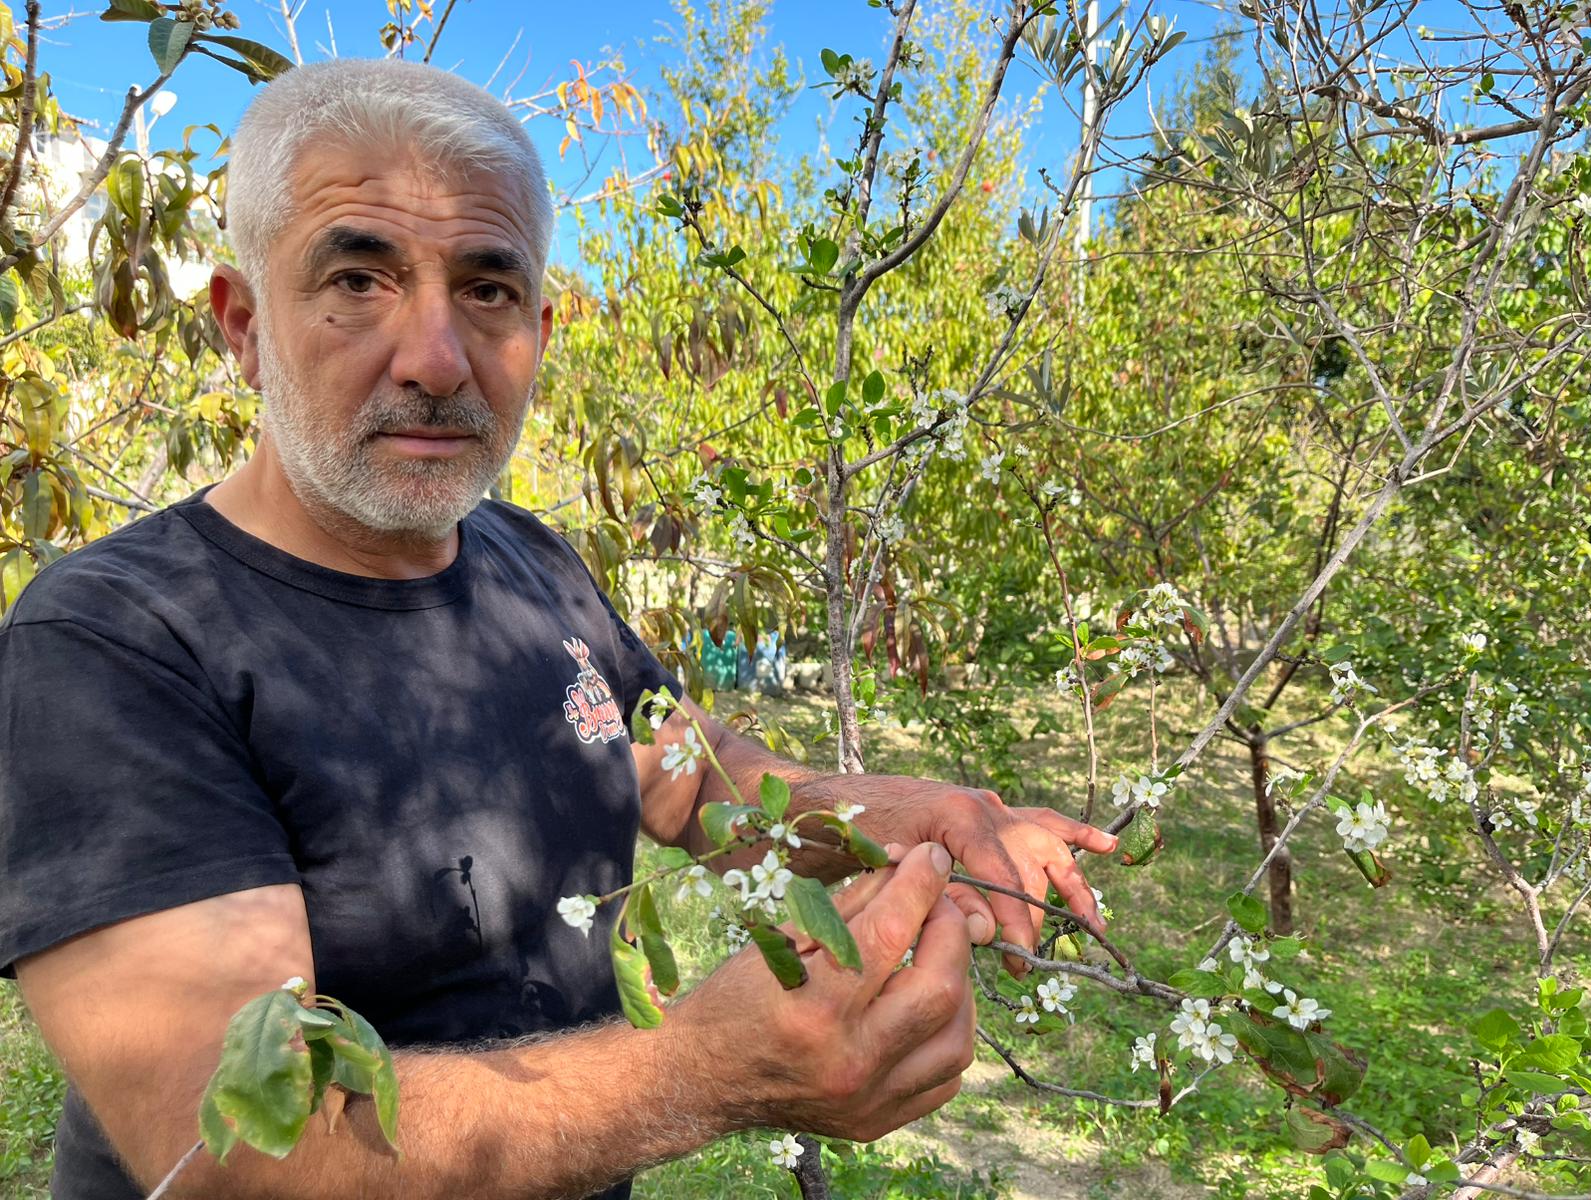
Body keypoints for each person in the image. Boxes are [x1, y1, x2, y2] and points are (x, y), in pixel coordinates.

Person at [0, 57, 1117, 1200]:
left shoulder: (529, 559)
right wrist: (702, 1075)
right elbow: (232, 1155)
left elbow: (690, 778)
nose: (436, 360)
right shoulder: (115, 642)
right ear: (242, 324)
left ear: (540, 323)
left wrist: (913, 815)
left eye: (486, 290)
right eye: (357, 278)